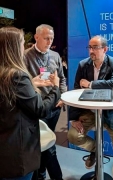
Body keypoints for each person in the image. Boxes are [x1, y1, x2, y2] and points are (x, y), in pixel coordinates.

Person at [0, 27, 60, 179]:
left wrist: (31, 84)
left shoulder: (5, 72)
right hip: (17, 152)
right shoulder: (17, 75)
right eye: (21, 42)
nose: (23, 46)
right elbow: (39, 109)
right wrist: (56, 89)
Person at [67, 35, 113, 169]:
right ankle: (96, 150)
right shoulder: (83, 65)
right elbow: (76, 91)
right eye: (89, 47)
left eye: (95, 47)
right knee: (73, 136)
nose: (91, 51)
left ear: (105, 49)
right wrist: (74, 118)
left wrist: (90, 84)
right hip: (90, 112)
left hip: (111, 113)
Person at [24, 24, 66, 180]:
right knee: (45, 145)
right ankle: (53, 176)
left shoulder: (55, 56)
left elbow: (61, 78)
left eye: (52, 38)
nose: (50, 41)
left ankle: (40, 175)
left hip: (54, 107)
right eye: (46, 38)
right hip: (37, 108)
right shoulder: (25, 56)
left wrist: (61, 96)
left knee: (46, 142)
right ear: (36, 37)